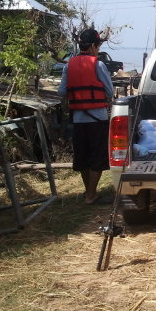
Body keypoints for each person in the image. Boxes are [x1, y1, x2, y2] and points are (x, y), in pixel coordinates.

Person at [58, 29, 114, 205]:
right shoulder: (98, 64)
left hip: (78, 118)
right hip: (98, 118)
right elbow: (110, 92)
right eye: (97, 46)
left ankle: (89, 192)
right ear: (92, 46)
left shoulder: (69, 65)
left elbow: (61, 91)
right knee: (97, 156)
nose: (97, 49)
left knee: (82, 156)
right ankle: (91, 195)